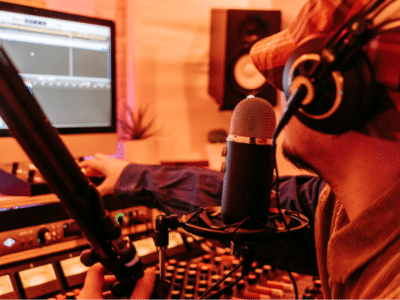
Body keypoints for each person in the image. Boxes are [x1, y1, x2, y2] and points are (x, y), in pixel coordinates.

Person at [77, 0, 400, 298]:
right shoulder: (342, 203)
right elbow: (256, 210)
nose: (285, 93)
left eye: (290, 75)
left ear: (328, 94)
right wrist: (132, 176)